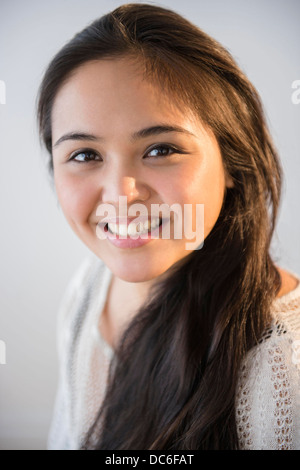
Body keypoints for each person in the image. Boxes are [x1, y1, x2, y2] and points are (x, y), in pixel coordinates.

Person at [37, 3, 300, 450]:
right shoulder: (89, 290)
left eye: (160, 149)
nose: (122, 196)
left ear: (233, 160)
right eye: (85, 155)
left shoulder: (286, 365)